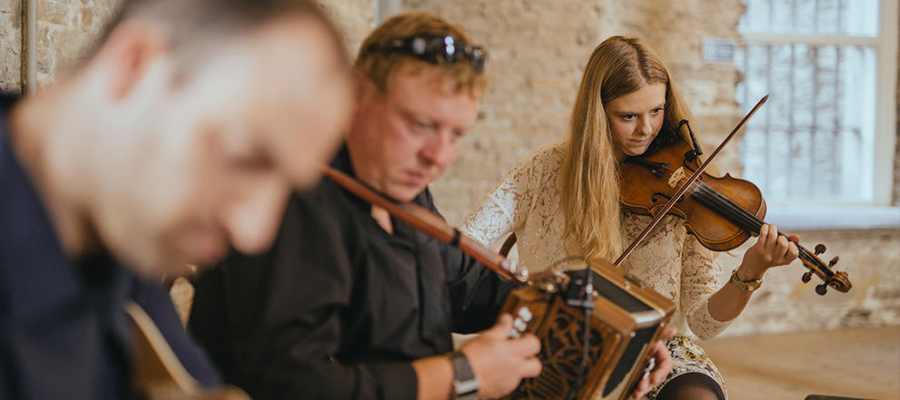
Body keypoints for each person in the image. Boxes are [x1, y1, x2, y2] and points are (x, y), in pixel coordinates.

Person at [0, 0, 352, 399]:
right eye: (244, 158)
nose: (254, 233)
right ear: (133, 66)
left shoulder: (124, 241)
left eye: (286, 189)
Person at [459, 35, 800, 400]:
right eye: (628, 116)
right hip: (561, 343)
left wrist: (750, 272)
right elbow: (466, 240)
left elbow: (703, 322)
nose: (647, 129)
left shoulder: (689, 182)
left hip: (656, 350)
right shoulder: (544, 170)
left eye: (657, 111)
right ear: (597, 112)